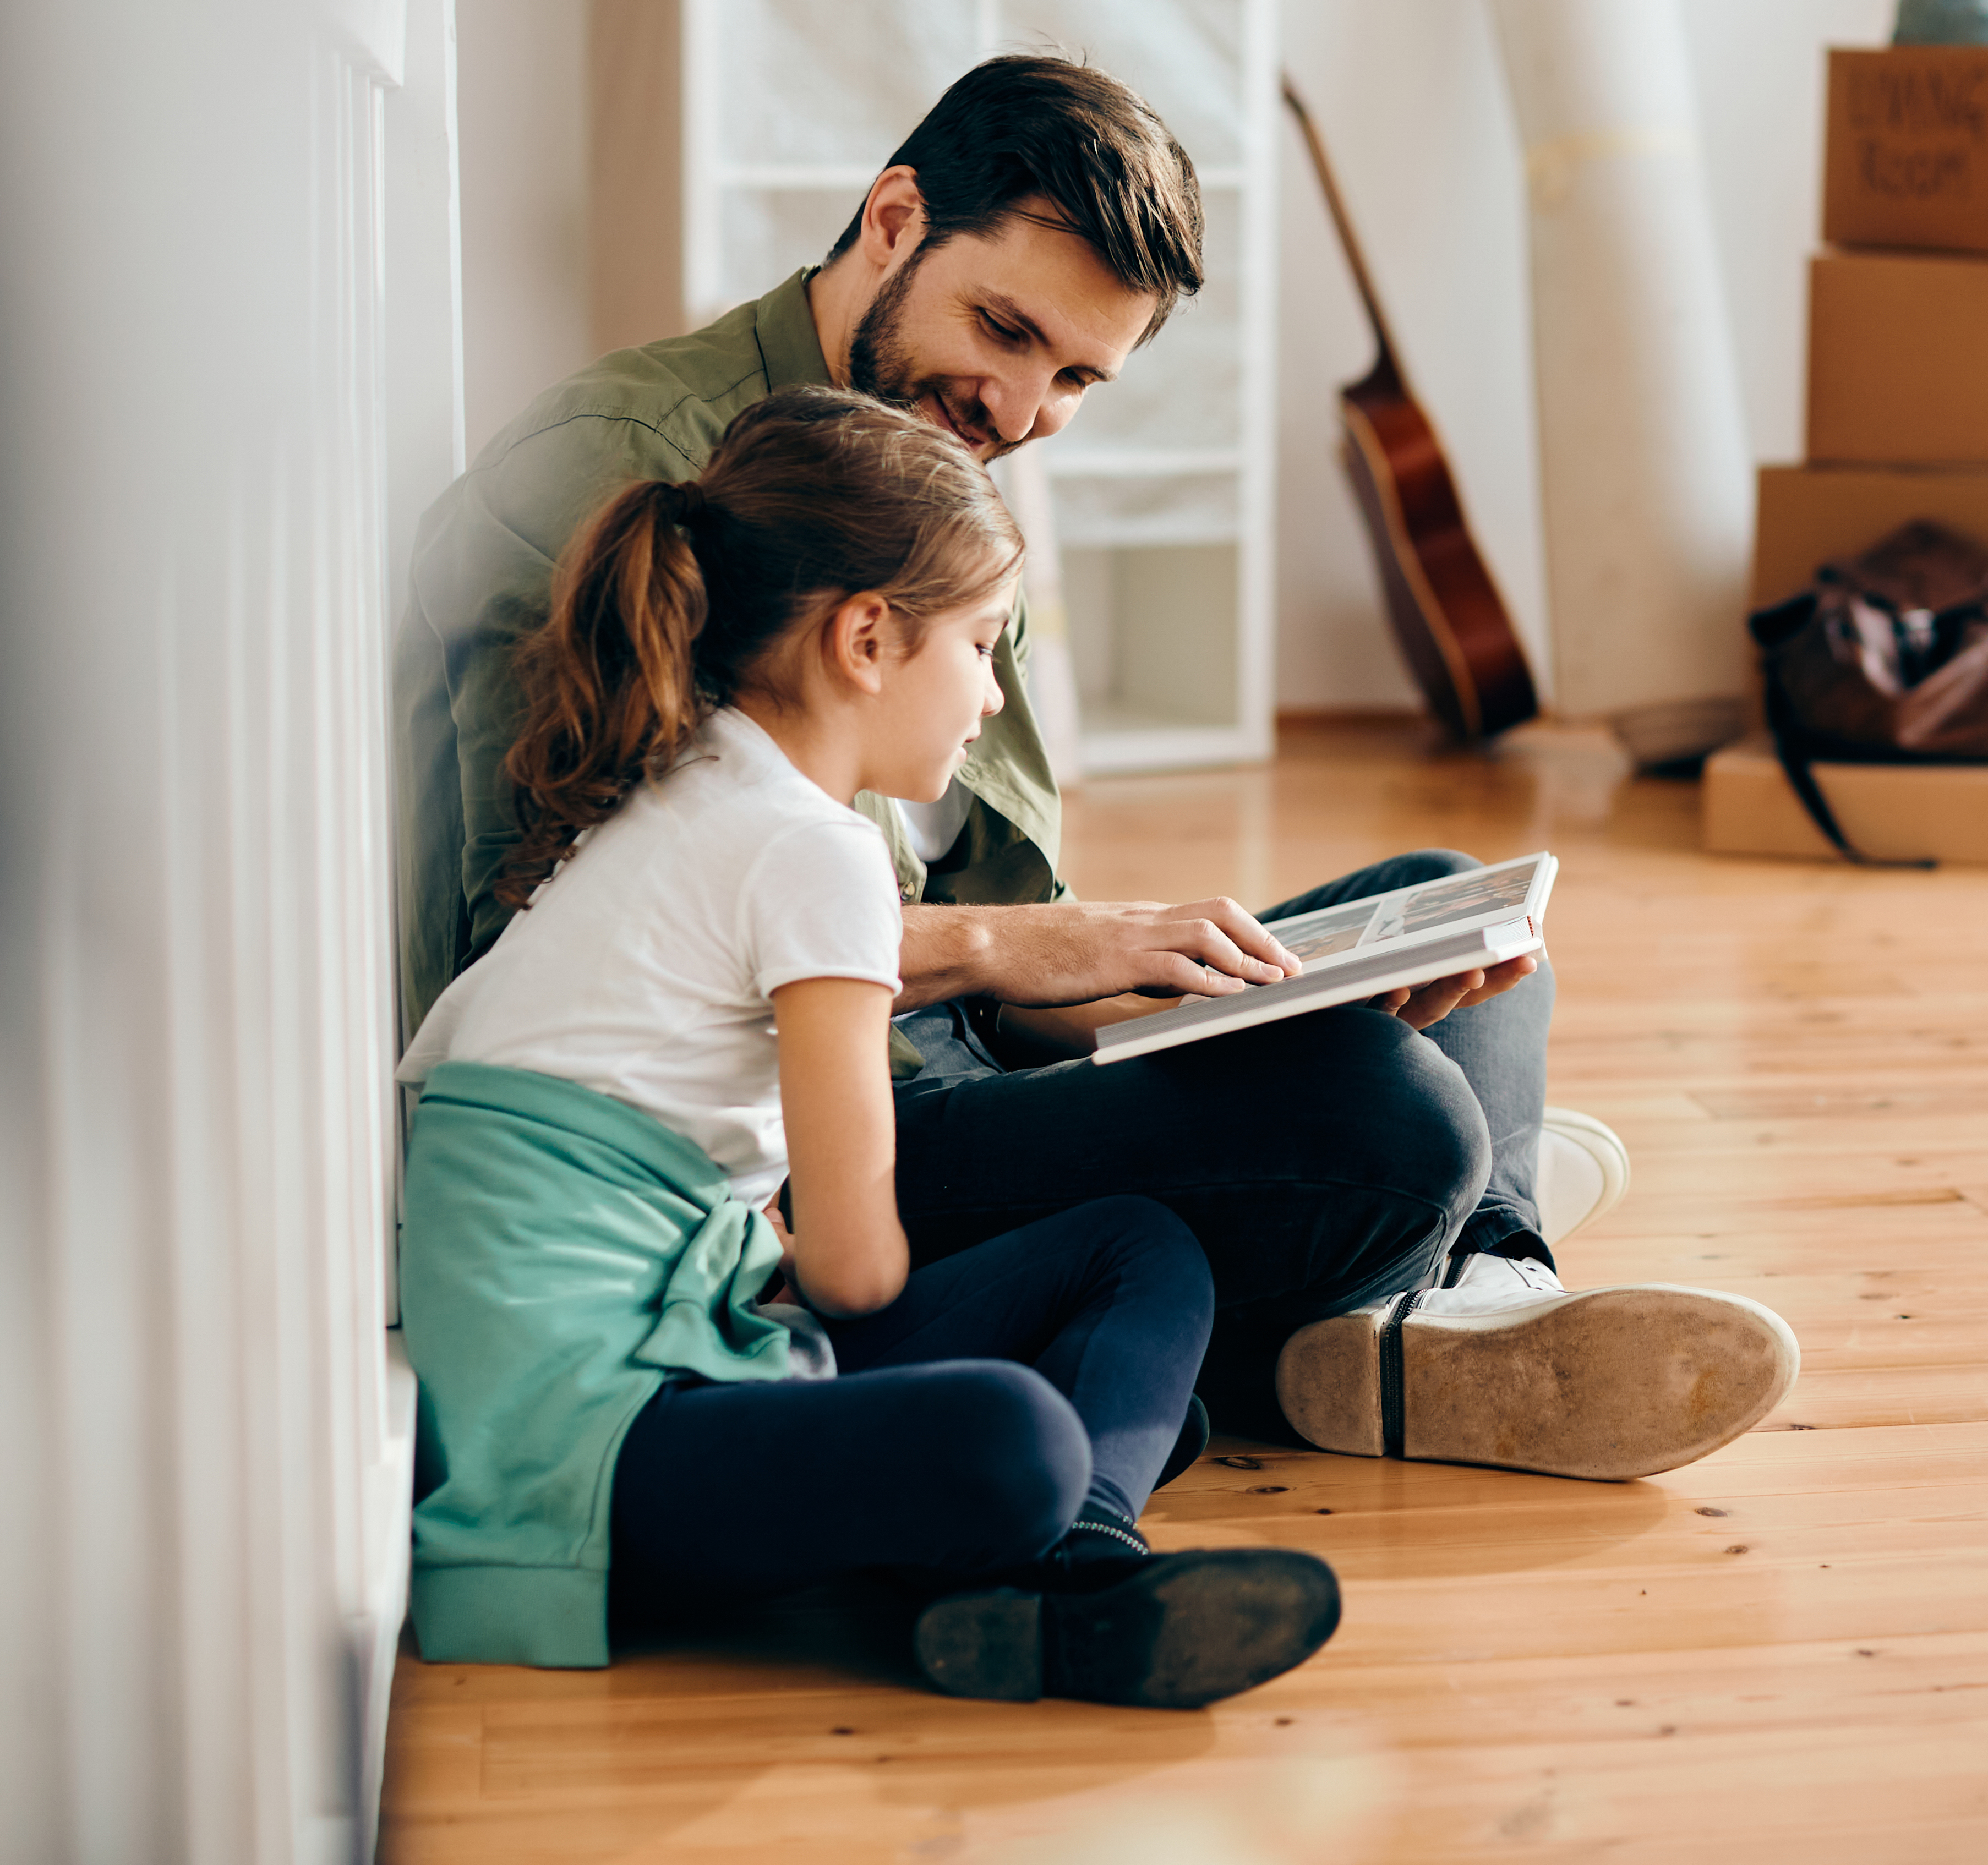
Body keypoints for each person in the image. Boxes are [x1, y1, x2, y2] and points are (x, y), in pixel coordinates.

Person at [397, 53, 1796, 1480]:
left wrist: (1192, 995)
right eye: (1004, 329)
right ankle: (1427, 1262)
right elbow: (578, 947)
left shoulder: (931, 458)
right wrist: (1032, 947)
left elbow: (1001, 951)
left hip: (964, 1043)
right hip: (810, 1131)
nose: (1018, 407)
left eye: (1074, 377)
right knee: (1397, 1121)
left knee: (1450, 905)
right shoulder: (635, 482)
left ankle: (1473, 1283)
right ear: (891, 222)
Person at [398, 387, 1340, 1705]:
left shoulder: (690, 782)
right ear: (866, 639)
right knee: (1020, 1427)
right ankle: (1065, 1557)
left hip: (634, 1370)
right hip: (588, 1464)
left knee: (1133, 1255)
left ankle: (1054, 1567)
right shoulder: (814, 854)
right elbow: (849, 1267)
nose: (992, 691)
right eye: (983, 644)